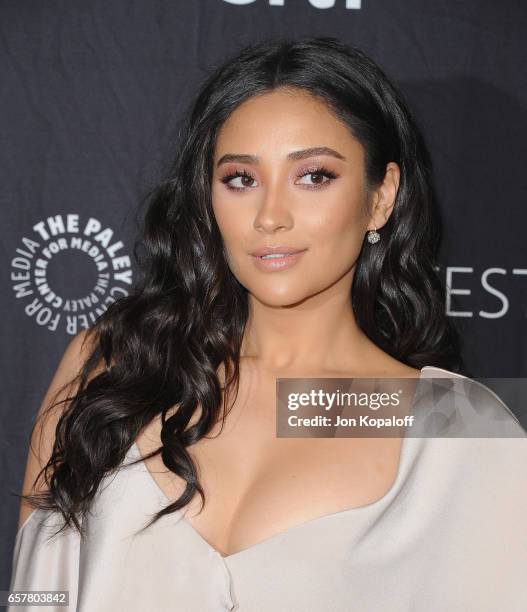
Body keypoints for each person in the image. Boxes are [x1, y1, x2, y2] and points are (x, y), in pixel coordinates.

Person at [9, 36, 527, 612]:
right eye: (241, 180)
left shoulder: (449, 425)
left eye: (314, 176)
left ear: (381, 198)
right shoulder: (113, 365)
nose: (271, 217)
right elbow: (36, 584)